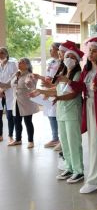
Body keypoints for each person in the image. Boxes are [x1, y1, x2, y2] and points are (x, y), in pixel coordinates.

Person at [32, 42, 85, 183]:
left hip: (72, 112)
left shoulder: (77, 74)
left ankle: (79, 170)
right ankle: (69, 167)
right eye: (66, 56)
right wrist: (41, 91)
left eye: (71, 57)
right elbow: (57, 90)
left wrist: (59, 97)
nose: (67, 59)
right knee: (65, 142)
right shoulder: (62, 73)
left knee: (74, 142)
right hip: (61, 111)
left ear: (76, 60)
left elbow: (73, 94)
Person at [68, 37, 97, 194]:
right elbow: (81, 86)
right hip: (89, 107)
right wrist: (67, 81)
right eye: (90, 50)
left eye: (94, 51)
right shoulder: (86, 70)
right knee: (93, 143)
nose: (91, 53)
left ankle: (95, 179)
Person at [0, 58, 38, 148]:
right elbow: (7, 85)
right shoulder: (16, 74)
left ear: (27, 65)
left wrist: (29, 84)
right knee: (16, 121)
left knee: (28, 121)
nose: (19, 63)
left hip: (26, 102)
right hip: (16, 101)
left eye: (22, 62)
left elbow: (33, 87)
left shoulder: (30, 75)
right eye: (19, 62)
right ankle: (18, 140)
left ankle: (30, 141)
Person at [33, 42, 61, 148]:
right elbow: (49, 77)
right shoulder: (52, 62)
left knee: (54, 115)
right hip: (49, 90)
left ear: (58, 50)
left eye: (52, 49)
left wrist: (48, 90)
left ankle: (57, 139)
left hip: (55, 91)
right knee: (50, 115)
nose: (50, 51)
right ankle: (55, 138)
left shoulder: (61, 64)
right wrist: (39, 77)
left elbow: (57, 81)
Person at [0, 47, 17, 143]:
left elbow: (14, 79)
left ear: (7, 54)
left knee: (9, 116)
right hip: (0, 94)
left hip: (9, 92)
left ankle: (10, 136)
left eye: (2, 53)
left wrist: (3, 89)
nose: (0, 55)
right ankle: (0, 135)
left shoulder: (12, 64)